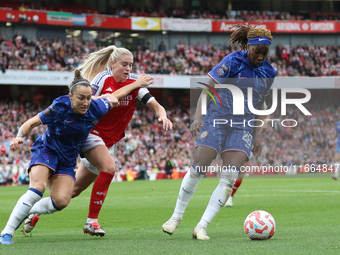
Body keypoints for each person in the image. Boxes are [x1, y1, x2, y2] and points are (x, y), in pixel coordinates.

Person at [23, 45, 172, 237]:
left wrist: (163, 116)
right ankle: (91, 222)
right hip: (91, 133)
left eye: (131, 65)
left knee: (71, 192)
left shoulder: (135, 83)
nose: (128, 69)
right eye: (124, 64)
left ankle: (32, 212)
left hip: (110, 140)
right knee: (109, 167)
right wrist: (133, 86)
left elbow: (156, 105)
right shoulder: (104, 79)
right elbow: (90, 102)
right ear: (112, 63)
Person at [162, 22, 276, 240]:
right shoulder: (233, 61)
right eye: (257, 52)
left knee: (229, 178)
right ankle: (176, 217)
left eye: (265, 53)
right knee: (198, 168)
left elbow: (260, 103)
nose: (261, 57)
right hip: (217, 118)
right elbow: (208, 88)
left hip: (243, 125)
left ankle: (202, 226)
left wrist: (258, 134)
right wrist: (198, 117)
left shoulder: (269, 72)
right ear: (248, 47)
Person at [0, 69, 139, 245]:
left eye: (89, 97)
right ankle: (7, 232)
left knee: (62, 201)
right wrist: (19, 136)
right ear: (70, 96)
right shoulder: (59, 106)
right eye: (81, 98)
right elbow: (31, 122)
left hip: (67, 160)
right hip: (47, 150)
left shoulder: (96, 107)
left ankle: (26, 211)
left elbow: (113, 97)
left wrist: (136, 85)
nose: (86, 102)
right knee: (38, 188)